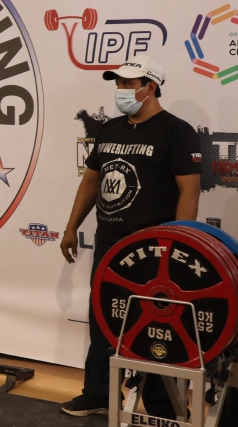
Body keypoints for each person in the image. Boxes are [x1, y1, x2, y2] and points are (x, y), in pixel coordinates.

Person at [59, 55, 201, 418]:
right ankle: (98, 395)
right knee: (103, 318)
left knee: (158, 323)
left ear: (149, 87)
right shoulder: (110, 129)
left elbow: (190, 191)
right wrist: (72, 225)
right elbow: (91, 179)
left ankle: (160, 406)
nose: (120, 90)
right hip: (110, 244)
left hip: (155, 247)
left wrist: (181, 242)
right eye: (118, 83)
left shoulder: (176, 131)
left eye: (126, 84)